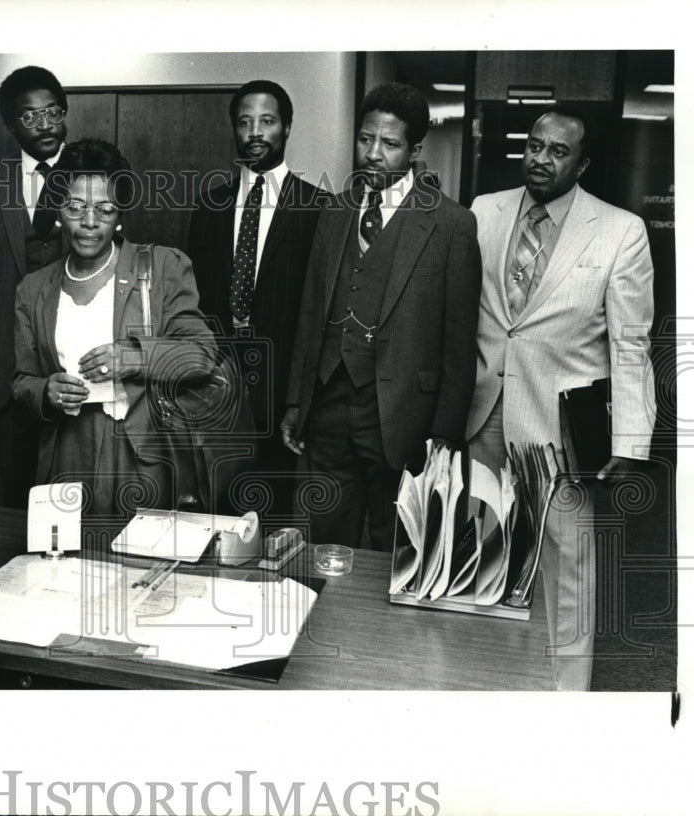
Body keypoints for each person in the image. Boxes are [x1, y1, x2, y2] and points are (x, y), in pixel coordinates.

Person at [465, 106, 656, 691]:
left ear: (584, 163)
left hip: (560, 429)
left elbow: (630, 344)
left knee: (565, 569)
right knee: (478, 554)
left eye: (558, 151)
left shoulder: (620, 231)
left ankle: (567, 700)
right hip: (480, 415)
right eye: (534, 145)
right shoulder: (483, 212)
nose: (540, 159)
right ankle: (480, 681)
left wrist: (629, 439)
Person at [281, 82, 482, 552]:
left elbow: (459, 341)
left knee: (391, 549)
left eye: (389, 144)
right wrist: (295, 401)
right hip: (328, 406)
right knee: (322, 542)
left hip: (402, 416)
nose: (373, 154)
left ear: (414, 150)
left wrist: (445, 438)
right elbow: (312, 312)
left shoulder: (451, 224)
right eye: (365, 139)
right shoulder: (335, 210)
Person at [12, 138, 217, 525]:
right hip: (66, 455)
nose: (89, 222)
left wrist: (134, 357)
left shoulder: (162, 268)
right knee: (65, 571)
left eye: (104, 210)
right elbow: (21, 379)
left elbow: (201, 355)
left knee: (142, 570)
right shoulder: (33, 289)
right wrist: (45, 391)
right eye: (75, 208)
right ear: (58, 209)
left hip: (143, 453)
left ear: (120, 214)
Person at [186, 80, 324, 516]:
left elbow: (318, 308)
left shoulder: (318, 207)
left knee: (275, 512)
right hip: (217, 382)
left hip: (282, 385)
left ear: (287, 127)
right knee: (216, 504)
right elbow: (193, 301)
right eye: (245, 122)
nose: (255, 133)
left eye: (267, 121)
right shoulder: (210, 206)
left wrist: (299, 399)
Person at [0, 65, 67, 507]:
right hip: (7, 364)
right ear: (10, 124)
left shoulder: (91, 175)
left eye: (52, 112)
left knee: (71, 495)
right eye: (29, 116)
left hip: (69, 362)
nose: (44, 125)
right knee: (18, 497)